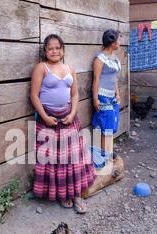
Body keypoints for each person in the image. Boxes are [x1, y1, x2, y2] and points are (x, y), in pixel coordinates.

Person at [30, 34, 95, 214]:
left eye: (57, 48)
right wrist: (44, 117)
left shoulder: (69, 69)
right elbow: (34, 96)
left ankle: (76, 196)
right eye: (50, 48)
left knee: (74, 158)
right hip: (49, 120)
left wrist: (73, 113)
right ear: (45, 51)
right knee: (56, 160)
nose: (54, 51)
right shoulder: (41, 68)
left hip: (69, 118)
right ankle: (63, 194)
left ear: (63, 50)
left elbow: (74, 95)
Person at [92, 29, 122, 160]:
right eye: (118, 39)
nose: (120, 42)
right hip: (103, 96)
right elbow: (96, 80)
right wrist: (95, 99)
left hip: (112, 96)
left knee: (112, 124)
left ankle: (106, 153)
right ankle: (105, 157)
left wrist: (118, 93)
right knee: (106, 126)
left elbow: (114, 77)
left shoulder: (114, 58)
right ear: (113, 43)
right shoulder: (100, 59)